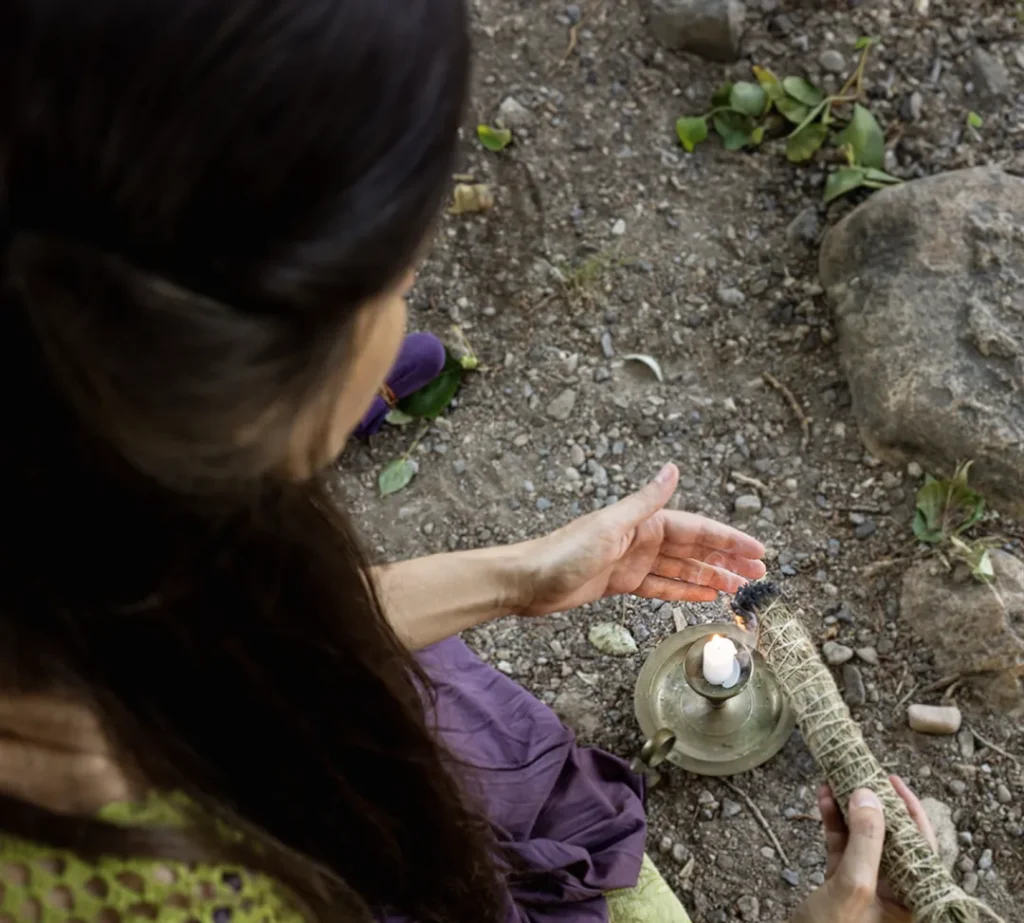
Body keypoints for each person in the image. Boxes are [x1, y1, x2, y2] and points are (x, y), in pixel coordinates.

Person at [0, 1, 936, 922]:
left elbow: (227, 643)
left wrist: (522, 578)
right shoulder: (195, 880)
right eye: (398, 278)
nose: (411, 300)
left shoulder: (81, 545)